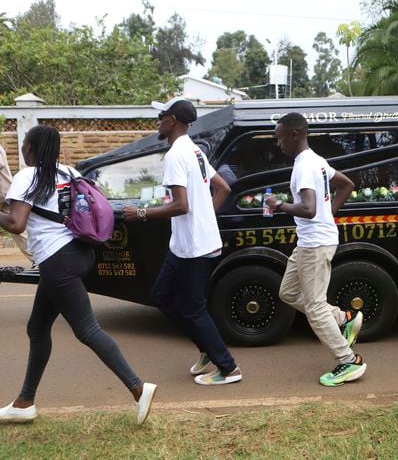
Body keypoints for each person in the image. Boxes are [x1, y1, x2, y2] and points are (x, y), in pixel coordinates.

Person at [0, 126, 156, 424]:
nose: (22, 151)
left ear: (31, 148)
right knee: (37, 328)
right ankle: (24, 402)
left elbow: (17, 224)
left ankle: (138, 388)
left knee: (87, 330)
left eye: (24, 146)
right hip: (80, 254)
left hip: (58, 262)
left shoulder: (27, 176)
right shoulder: (68, 172)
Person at [123, 97, 242, 386]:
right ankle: (206, 351)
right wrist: (205, 217)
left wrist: (140, 213)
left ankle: (228, 367)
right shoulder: (195, 151)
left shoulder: (177, 155)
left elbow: (180, 206)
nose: (158, 121)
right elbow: (223, 188)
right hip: (186, 245)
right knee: (162, 297)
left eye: (161, 115)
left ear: (172, 120)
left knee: (194, 308)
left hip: (194, 248)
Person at [264, 112, 364, 387]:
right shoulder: (316, 162)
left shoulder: (305, 166)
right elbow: (346, 184)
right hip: (311, 241)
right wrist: (327, 213)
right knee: (288, 292)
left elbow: (308, 209)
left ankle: (348, 361)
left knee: (315, 306)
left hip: (315, 243)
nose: (278, 142)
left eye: (280, 137)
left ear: (295, 134)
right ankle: (343, 318)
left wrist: (278, 205)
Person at [0, 143, 34, 264]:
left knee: (17, 227)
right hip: (5, 193)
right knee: (19, 231)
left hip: (3, 194)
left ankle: (39, 258)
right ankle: (38, 258)